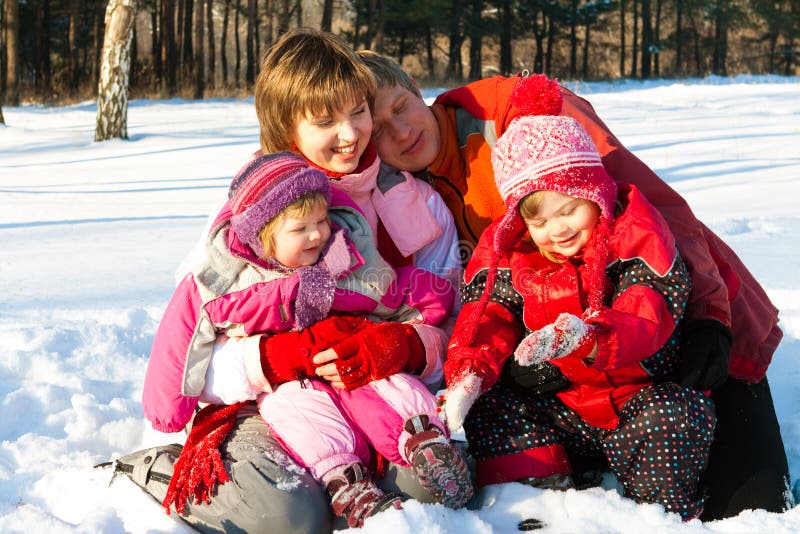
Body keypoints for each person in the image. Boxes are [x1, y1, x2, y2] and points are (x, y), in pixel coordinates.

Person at [360, 50, 791, 520]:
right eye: (377, 129)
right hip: (566, 382)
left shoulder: (526, 115)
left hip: (687, 336)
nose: (399, 131)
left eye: (400, 106)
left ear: (414, 84)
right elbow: (486, 302)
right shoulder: (394, 190)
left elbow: (659, 219)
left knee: (753, 512)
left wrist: (710, 318)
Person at [110, 29, 467, 533]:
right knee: (292, 515)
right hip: (271, 401)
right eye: (325, 121)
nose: (350, 134)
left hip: (379, 388)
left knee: (427, 491)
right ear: (287, 127)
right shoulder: (250, 215)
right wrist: (272, 359)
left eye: (357, 112)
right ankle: (160, 472)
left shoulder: (420, 206)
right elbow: (195, 338)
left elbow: (447, 317)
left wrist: (408, 346)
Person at [440, 108, 715, 519]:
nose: (558, 230)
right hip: (563, 409)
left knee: (672, 416)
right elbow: (488, 313)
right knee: (492, 406)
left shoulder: (635, 235)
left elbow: (646, 314)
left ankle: (660, 515)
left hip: (635, 399)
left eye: (569, 210)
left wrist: (586, 340)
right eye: (540, 221)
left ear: (596, 193)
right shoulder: (514, 252)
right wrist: (470, 374)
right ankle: (534, 501)